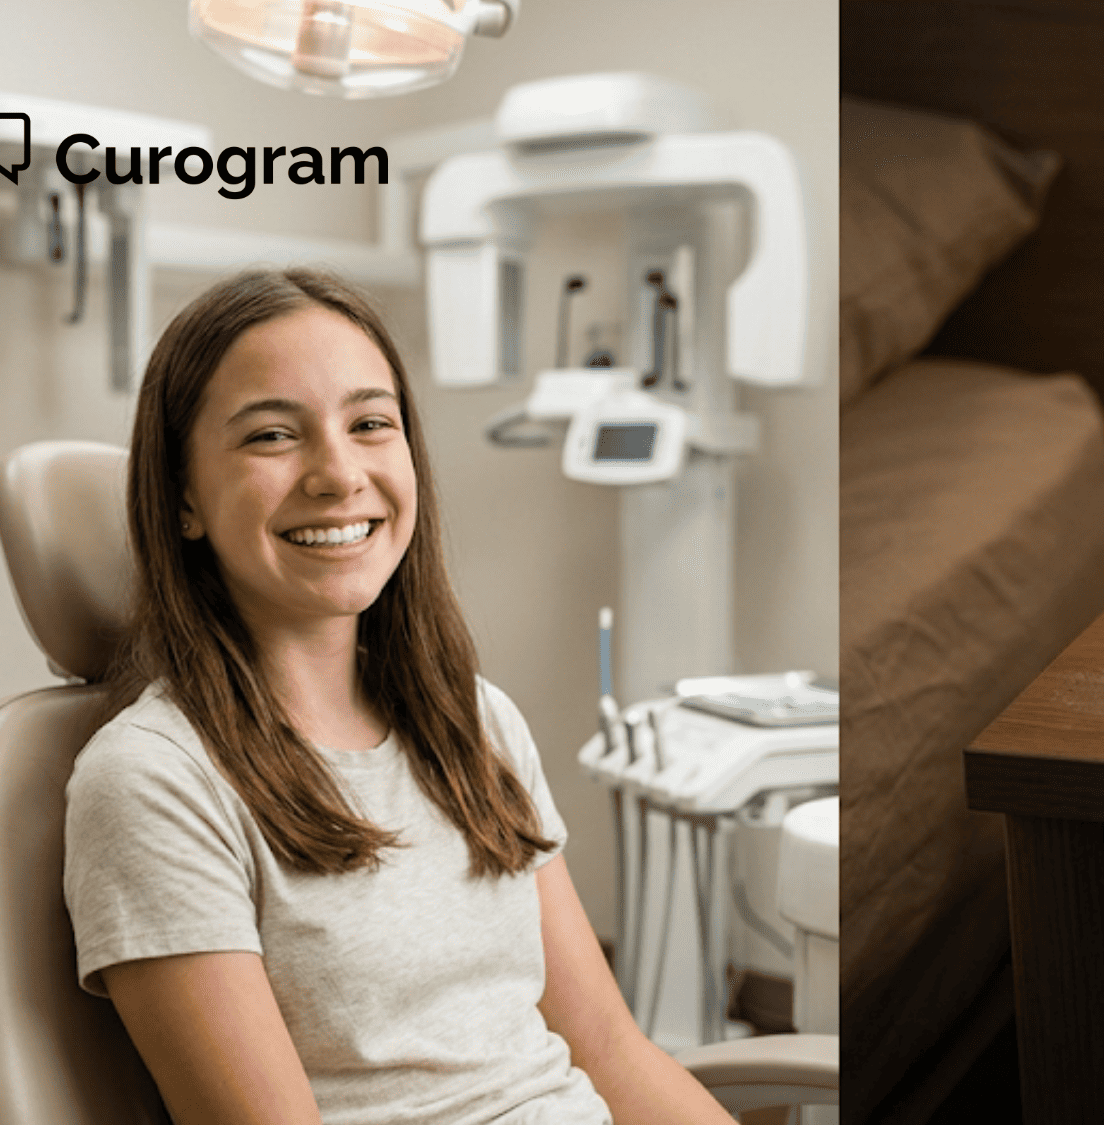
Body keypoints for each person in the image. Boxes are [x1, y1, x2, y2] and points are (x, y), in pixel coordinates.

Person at [62, 267, 736, 1125]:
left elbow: (608, 1049)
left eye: (371, 423)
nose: (339, 474)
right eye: (273, 436)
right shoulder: (153, 782)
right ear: (185, 497)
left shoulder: (475, 722)